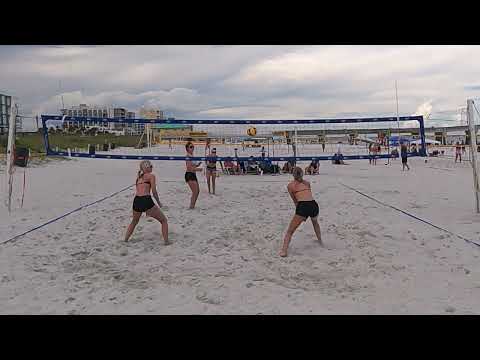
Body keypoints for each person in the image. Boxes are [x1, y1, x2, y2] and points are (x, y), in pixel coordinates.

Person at [280, 167, 323, 257]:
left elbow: (295, 201)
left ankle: (284, 251)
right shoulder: (307, 183)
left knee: (290, 231)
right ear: (302, 174)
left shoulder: (290, 185)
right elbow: (308, 195)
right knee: (315, 223)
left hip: (303, 206)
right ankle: (320, 242)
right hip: (314, 205)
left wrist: (300, 214)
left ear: (293, 175)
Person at [124, 160, 169, 244]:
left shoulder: (138, 178)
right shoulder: (151, 176)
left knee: (134, 221)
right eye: (151, 166)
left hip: (137, 200)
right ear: (146, 168)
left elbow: (139, 190)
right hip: (146, 200)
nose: (152, 167)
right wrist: (159, 203)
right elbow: (154, 192)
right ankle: (166, 242)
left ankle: (125, 239)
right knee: (164, 221)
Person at [185, 142, 203, 209]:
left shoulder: (192, 156)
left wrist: (198, 164)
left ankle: (192, 206)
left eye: (193, 147)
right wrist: (198, 169)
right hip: (189, 174)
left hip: (193, 174)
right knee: (195, 192)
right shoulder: (187, 156)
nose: (192, 148)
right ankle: (191, 206)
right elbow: (189, 168)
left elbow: (193, 165)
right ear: (187, 148)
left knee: (197, 191)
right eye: (191, 147)